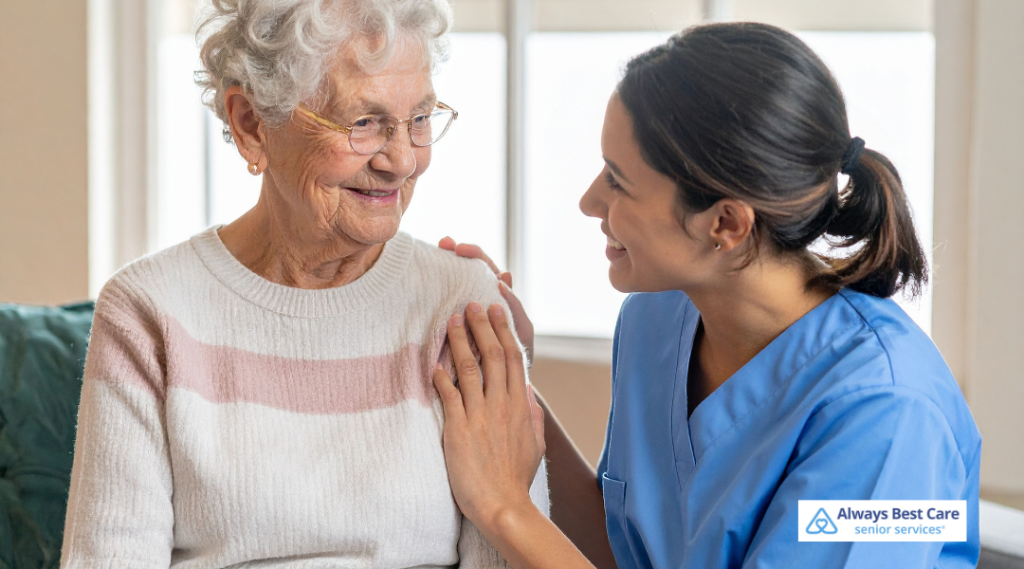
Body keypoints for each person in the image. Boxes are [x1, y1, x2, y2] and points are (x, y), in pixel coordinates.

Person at [433, 22, 982, 569]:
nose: (589, 201)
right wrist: (505, 371)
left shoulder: (889, 412)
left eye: (619, 181)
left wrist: (504, 508)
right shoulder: (657, 319)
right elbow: (620, 552)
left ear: (725, 223)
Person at [60, 0, 547, 566]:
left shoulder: (463, 308)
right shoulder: (149, 310)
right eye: (364, 123)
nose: (402, 161)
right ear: (251, 124)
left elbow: (509, 550)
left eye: (419, 118)